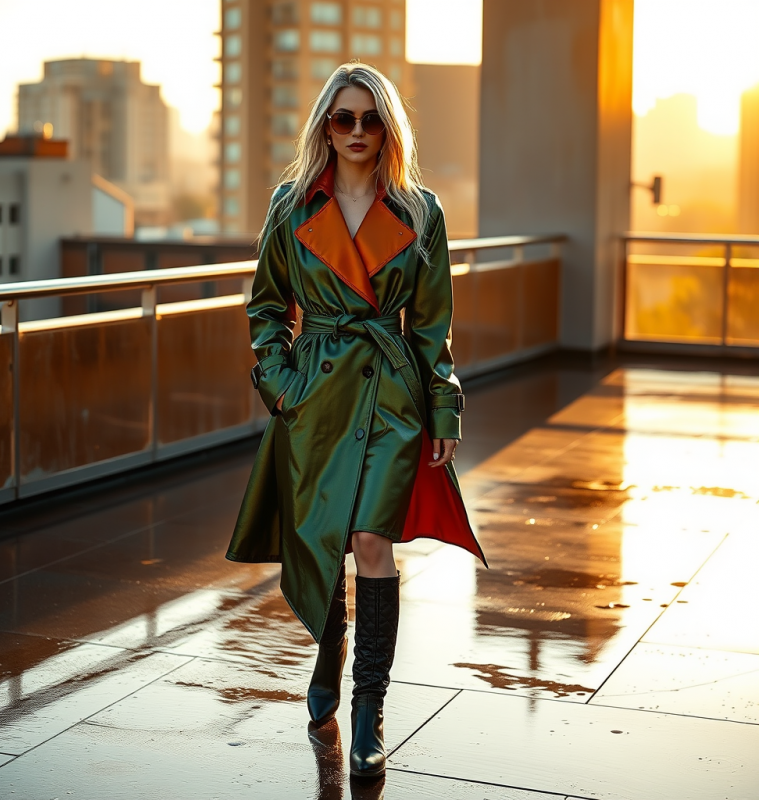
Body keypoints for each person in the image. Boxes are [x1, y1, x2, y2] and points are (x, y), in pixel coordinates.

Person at [227, 62, 487, 780]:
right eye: (343, 118)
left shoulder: (419, 210)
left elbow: (431, 324)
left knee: (372, 538)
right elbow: (266, 307)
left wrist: (444, 407)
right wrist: (282, 387)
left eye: (371, 119)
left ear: (388, 128)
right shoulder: (290, 206)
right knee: (327, 540)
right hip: (315, 397)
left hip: (391, 395)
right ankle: (329, 652)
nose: (357, 131)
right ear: (325, 126)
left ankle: (369, 707)